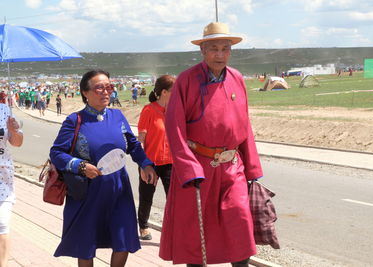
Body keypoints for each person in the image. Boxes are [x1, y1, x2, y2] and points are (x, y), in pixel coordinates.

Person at [159, 22, 263, 266]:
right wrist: (188, 168)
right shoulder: (186, 80)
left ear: (230, 51)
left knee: (240, 221)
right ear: (203, 51)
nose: (219, 54)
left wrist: (252, 167)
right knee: (196, 231)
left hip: (232, 166)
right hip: (198, 166)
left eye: (225, 48)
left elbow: (244, 124)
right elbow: (174, 128)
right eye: (213, 48)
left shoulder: (237, 78)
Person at [49, 70, 157, 267]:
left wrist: (146, 163)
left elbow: (132, 144)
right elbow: (56, 153)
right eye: (99, 87)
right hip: (87, 191)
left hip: (119, 189)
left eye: (108, 87)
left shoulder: (117, 116)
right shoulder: (75, 120)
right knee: (86, 243)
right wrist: (80, 166)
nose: (106, 92)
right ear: (85, 92)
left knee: (123, 238)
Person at [137, 75, 175, 241]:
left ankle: (172, 230)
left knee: (174, 200)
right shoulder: (149, 110)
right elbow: (140, 140)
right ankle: (143, 226)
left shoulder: (175, 111)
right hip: (150, 163)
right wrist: (142, 165)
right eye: (175, 91)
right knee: (146, 198)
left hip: (170, 163)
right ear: (164, 92)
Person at [0, 103, 23, 267]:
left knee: (2, 223)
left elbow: (17, 142)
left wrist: (15, 131)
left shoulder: (4, 110)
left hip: (2, 178)